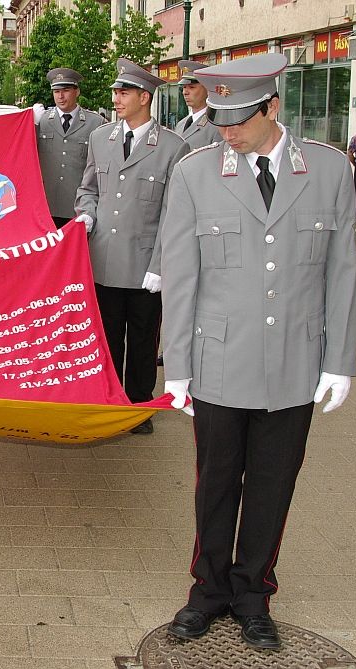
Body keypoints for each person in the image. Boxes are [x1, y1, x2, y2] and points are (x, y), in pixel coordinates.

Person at [160, 53, 356, 650]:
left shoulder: (328, 171)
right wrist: (177, 367)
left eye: (238, 119)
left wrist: (339, 360)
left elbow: (342, 273)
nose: (225, 131)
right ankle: (208, 591)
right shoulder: (195, 174)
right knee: (215, 481)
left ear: (272, 108)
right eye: (218, 117)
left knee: (273, 484)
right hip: (219, 362)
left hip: (295, 362)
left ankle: (253, 594)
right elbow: (182, 275)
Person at [74, 58, 188, 434]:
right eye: (115, 92)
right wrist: (86, 214)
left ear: (145, 97)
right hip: (104, 259)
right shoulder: (100, 138)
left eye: (123, 93)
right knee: (106, 338)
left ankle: (138, 407)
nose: (116, 98)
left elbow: (175, 212)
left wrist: (161, 264)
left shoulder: (173, 147)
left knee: (142, 339)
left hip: (144, 266)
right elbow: (88, 188)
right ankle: (108, 400)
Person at [33, 68, 105, 229]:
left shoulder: (96, 123)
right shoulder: (41, 120)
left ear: (77, 91)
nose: (60, 96)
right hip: (45, 206)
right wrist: (31, 125)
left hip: (78, 207)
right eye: (56, 91)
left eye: (65, 90)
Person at [174, 60, 219, 151]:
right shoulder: (180, 124)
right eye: (184, 87)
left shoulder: (216, 125)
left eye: (191, 87)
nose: (185, 92)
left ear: (207, 89)